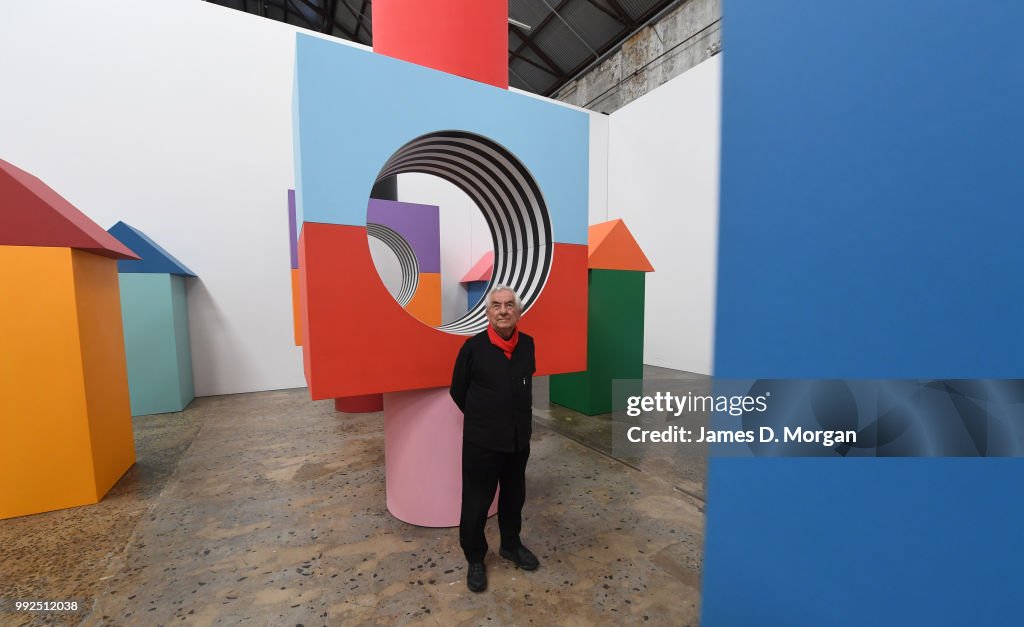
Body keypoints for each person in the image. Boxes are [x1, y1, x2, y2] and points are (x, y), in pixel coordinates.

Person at [449, 285, 540, 593]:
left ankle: (511, 545)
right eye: (497, 305)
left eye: (509, 304)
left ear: (519, 311)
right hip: (482, 444)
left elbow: (526, 385)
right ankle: (475, 558)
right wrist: (483, 420)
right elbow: (457, 391)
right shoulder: (472, 349)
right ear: (487, 313)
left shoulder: (528, 344)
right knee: (476, 502)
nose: (503, 310)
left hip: (518, 443)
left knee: (514, 498)